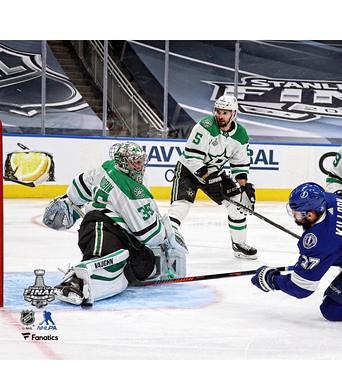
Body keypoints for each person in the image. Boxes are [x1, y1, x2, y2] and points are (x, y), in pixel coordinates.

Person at [42, 141, 187, 306]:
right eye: (136, 161)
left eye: (141, 160)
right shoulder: (131, 189)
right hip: (99, 226)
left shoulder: (108, 167)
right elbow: (150, 234)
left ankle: (114, 272)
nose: (140, 165)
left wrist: (69, 199)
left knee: (145, 264)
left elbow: (81, 184)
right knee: (101, 259)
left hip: (122, 234)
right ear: (124, 163)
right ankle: (75, 281)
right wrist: (168, 231)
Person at [251, 182, 342, 321]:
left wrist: (271, 280)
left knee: (334, 310)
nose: (294, 216)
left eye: (297, 213)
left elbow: (301, 288)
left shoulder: (321, 242)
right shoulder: (328, 199)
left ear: (310, 214)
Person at [167, 94, 257, 259]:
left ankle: (238, 244)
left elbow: (240, 164)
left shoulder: (241, 135)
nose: (220, 116)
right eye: (218, 111)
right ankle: (165, 242)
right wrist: (209, 179)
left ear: (233, 114)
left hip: (214, 172)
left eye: (225, 112)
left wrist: (245, 188)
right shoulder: (206, 125)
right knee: (181, 205)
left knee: (237, 205)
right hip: (189, 170)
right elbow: (192, 158)